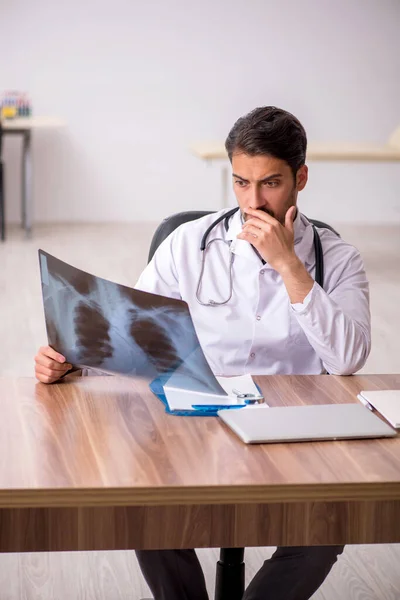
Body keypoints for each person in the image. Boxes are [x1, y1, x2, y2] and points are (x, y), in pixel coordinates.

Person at [34, 106, 371, 600]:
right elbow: (134, 332)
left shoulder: (337, 260)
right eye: (240, 183)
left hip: (293, 428)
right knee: (148, 510)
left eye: (270, 184)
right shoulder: (187, 244)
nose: (252, 201)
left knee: (322, 532)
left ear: (300, 177)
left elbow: (348, 358)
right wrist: (71, 359)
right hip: (197, 419)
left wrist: (289, 267)